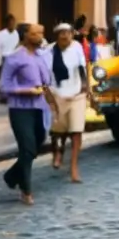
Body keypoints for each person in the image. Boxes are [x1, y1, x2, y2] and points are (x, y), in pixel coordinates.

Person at [0, 23, 55, 205]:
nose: (40, 36)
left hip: (40, 107)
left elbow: (46, 81)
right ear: (25, 36)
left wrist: (53, 103)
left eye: (42, 33)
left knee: (37, 143)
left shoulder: (42, 56)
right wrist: (25, 90)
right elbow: (2, 86)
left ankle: (11, 176)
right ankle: (26, 190)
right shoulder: (14, 58)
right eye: (35, 33)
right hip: (20, 109)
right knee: (27, 147)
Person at [45, 23, 88, 183]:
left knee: (76, 131)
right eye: (61, 34)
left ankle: (74, 169)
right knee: (58, 131)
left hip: (77, 94)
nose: (65, 36)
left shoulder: (77, 47)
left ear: (72, 34)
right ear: (57, 36)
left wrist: (86, 86)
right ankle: (58, 151)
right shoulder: (48, 51)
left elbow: (82, 67)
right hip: (57, 94)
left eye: (68, 33)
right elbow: (44, 75)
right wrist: (48, 95)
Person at [0, 14, 18, 97]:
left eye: (13, 22)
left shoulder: (17, 34)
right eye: (10, 23)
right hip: (4, 58)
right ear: (6, 24)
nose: (12, 24)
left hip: (15, 58)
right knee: (4, 78)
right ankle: (4, 95)